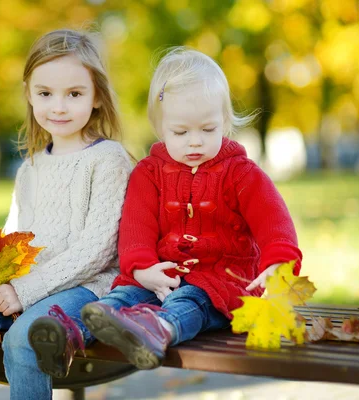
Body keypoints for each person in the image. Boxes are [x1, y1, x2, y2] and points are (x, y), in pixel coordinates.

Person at [76, 46, 303, 369]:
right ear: (160, 128)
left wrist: (278, 263)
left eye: (207, 130)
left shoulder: (241, 173)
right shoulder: (149, 173)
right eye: (180, 132)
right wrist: (142, 269)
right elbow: (136, 227)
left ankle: (159, 329)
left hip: (221, 281)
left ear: (224, 122)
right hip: (161, 274)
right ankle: (79, 329)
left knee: (190, 301)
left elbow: (274, 221)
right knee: (125, 296)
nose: (194, 141)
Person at [0, 29, 133, 400]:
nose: (58, 107)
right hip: (25, 287)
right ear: (29, 93)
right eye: (45, 94)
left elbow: (98, 250)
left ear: (96, 98)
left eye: (74, 94)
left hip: (87, 287)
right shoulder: (31, 168)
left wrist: (25, 291)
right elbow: (14, 235)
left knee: (24, 340)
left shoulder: (108, 161)